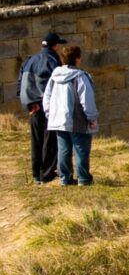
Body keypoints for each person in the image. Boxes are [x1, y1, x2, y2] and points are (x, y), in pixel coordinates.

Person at [43, 46, 99, 186]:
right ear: (77, 59)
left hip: (58, 119)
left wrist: (51, 114)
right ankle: (84, 179)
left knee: (64, 150)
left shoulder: (54, 76)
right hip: (77, 119)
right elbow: (86, 99)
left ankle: (65, 179)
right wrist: (91, 118)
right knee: (81, 150)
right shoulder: (80, 76)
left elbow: (47, 98)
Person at [16, 32, 66, 185]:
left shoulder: (30, 60)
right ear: (55, 46)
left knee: (36, 139)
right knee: (50, 139)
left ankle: (36, 173)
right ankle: (47, 173)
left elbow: (20, 84)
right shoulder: (51, 59)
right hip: (45, 104)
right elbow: (55, 82)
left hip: (33, 105)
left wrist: (29, 104)